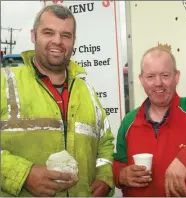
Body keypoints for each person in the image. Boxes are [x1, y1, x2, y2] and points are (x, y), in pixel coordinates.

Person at [1, 4, 115, 197]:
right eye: (48, 32)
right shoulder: (4, 82)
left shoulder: (87, 92)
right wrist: (23, 175)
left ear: (73, 41)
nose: (57, 41)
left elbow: (104, 143)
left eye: (65, 35)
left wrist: (104, 177)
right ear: (33, 35)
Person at [112, 45, 186, 197]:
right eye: (150, 76)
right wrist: (121, 175)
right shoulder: (129, 121)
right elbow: (118, 162)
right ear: (141, 80)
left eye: (165, 75)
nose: (158, 83)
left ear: (176, 77)